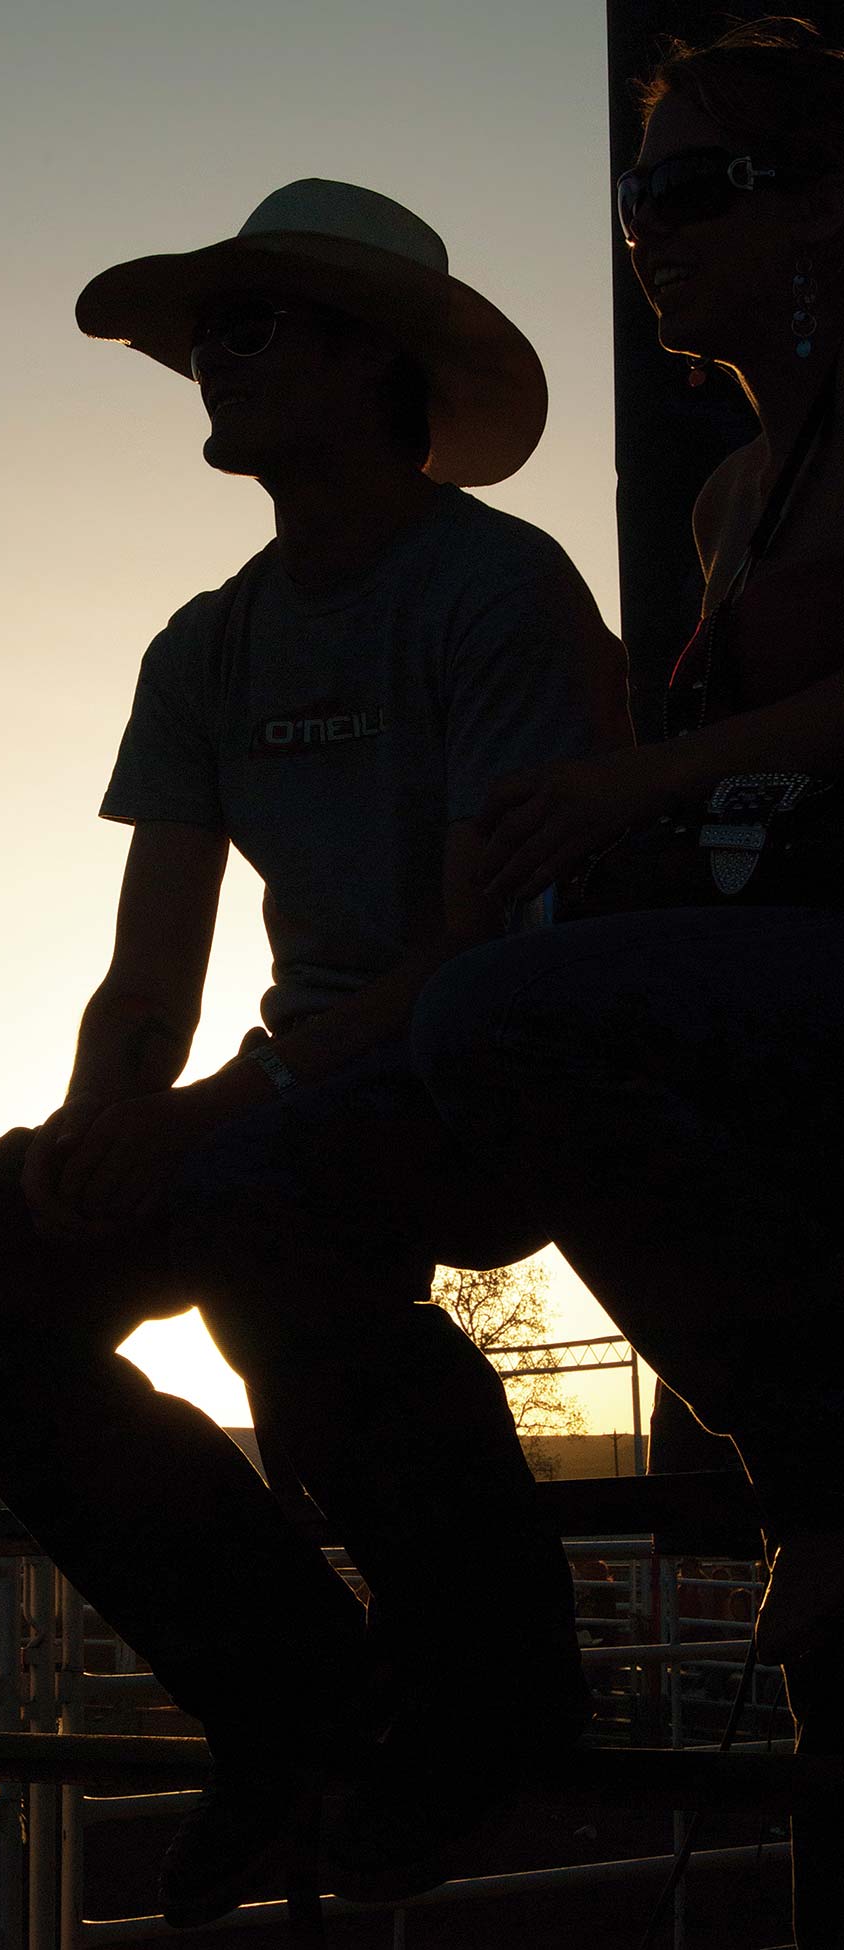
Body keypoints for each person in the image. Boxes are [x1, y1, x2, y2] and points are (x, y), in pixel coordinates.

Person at [0, 178, 625, 1924]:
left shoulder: (497, 590)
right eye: (208, 333)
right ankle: (294, 1694)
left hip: (499, 1060)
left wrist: (216, 1110)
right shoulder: (208, 643)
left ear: (375, 362)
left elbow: (491, 940)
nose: (212, 360)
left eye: (253, 324)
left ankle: (490, 1681)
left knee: (264, 1203)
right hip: (299, 1097)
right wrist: (99, 1113)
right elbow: (152, 964)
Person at [410, 12, 844, 1897]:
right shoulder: (729, 495)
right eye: (629, 190)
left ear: (824, 205)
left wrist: (637, 782)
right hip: (780, 994)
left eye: (682, 185)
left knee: (497, 1021)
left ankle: (814, 1457)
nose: (638, 226)